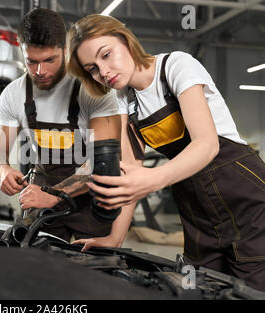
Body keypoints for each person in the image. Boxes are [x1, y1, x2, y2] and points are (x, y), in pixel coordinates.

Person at [66, 14, 265, 291]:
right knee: (203, 287)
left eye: (107, 55)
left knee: (251, 288)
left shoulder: (176, 66)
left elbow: (207, 144)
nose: (104, 71)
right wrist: (114, 239)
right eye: (93, 69)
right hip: (196, 206)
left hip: (243, 194)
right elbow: (129, 171)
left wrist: (153, 178)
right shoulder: (125, 99)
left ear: (125, 40)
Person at [0, 9, 121, 242]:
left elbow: (103, 163)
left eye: (50, 60)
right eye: (32, 62)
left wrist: (57, 195)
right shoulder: (13, 94)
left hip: (90, 196)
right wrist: (2, 169)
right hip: (42, 191)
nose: (41, 71)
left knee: (91, 270)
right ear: (22, 52)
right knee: (39, 264)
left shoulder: (94, 91)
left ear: (65, 50)